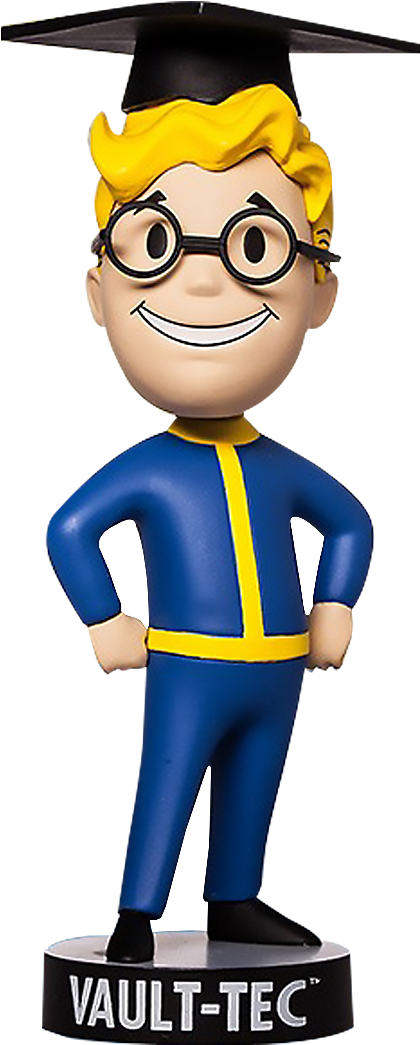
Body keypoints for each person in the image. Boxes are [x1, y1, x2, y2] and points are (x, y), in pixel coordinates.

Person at [46, 81, 373, 963]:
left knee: (256, 785)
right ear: (98, 291)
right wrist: (104, 617)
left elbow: (350, 523)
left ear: (320, 292)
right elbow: (69, 529)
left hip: (280, 664)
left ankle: (235, 898)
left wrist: (334, 604)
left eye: (254, 245)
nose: (200, 278)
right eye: (156, 243)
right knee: (168, 778)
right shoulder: (150, 465)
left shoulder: (281, 465)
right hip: (187, 662)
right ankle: (137, 914)